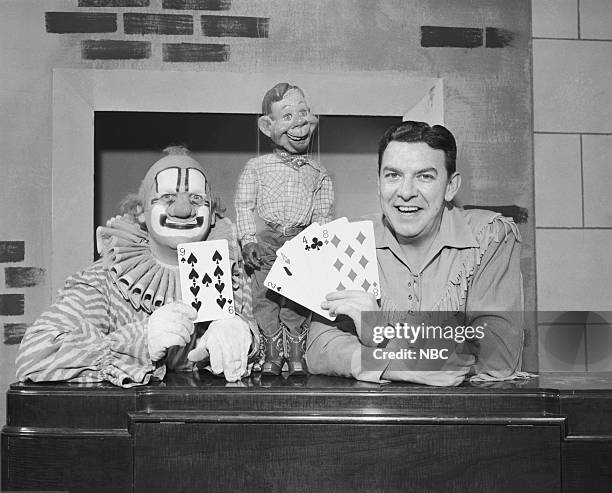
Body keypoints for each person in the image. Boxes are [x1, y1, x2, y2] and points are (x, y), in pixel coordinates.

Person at [306, 121, 529, 386]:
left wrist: (381, 333)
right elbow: (320, 347)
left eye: (424, 176)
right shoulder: (351, 240)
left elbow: (497, 357)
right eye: (393, 175)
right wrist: (392, 366)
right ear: (378, 183)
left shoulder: (491, 236)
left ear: (450, 186)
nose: (406, 192)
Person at [16, 147, 257, 387]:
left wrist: (248, 340)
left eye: (196, 198)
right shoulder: (103, 281)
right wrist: (141, 340)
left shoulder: (235, 275)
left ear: (212, 214)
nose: (182, 210)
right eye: (167, 198)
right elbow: (34, 355)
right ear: (141, 211)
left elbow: (279, 349)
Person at [235, 83, 334, 375]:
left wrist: (320, 244)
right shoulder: (256, 167)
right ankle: (272, 356)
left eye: (303, 113)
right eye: (288, 116)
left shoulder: (318, 173)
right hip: (266, 243)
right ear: (268, 126)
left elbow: (323, 213)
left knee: (297, 298)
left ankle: (295, 355)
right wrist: (248, 241)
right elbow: (243, 204)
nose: (299, 123)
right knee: (264, 297)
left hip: (302, 241)